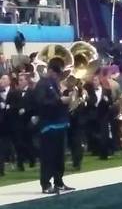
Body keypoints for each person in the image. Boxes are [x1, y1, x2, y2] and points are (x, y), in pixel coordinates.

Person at [34, 58, 74, 194]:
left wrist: (68, 100)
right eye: (56, 73)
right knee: (48, 156)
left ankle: (59, 181)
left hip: (60, 124)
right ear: (50, 70)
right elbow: (41, 102)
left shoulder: (55, 83)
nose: (57, 76)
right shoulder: (42, 84)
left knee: (59, 156)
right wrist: (59, 100)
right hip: (48, 126)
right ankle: (45, 184)